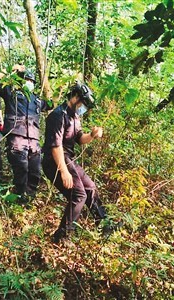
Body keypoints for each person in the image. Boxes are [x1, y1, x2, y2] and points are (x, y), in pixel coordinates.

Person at [42, 82, 118, 244]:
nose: (83, 108)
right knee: (78, 195)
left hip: (68, 158)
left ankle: (104, 224)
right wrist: (63, 171)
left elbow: (80, 139)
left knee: (90, 187)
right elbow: (55, 146)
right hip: (54, 160)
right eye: (83, 104)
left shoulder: (74, 117)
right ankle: (62, 236)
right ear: (75, 98)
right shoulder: (58, 115)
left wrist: (92, 135)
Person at [0, 66, 52, 204]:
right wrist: (12, 73)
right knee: (21, 168)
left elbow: (50, 104)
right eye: (26, 80)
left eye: (31, 81)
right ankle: (19, 195)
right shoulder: (11, 92)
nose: (29, 82)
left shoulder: (36, 100)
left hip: (34, 140)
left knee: (35, 170)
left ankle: (29, 197)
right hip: (17, 136)